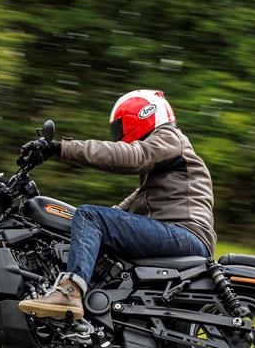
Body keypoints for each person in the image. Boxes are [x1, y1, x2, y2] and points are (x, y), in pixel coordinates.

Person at [17, 90, 215, 320]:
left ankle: (70, 292)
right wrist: (105, 220)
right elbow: (136, 200)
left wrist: (61, 148)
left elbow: (133, 156)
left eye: (120, 127)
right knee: (92, 221)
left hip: (185, 235)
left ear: (142, 115)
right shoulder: (163, 164)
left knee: (89, 215)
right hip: (177, 234)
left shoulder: (170, 137)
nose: (118, 135)